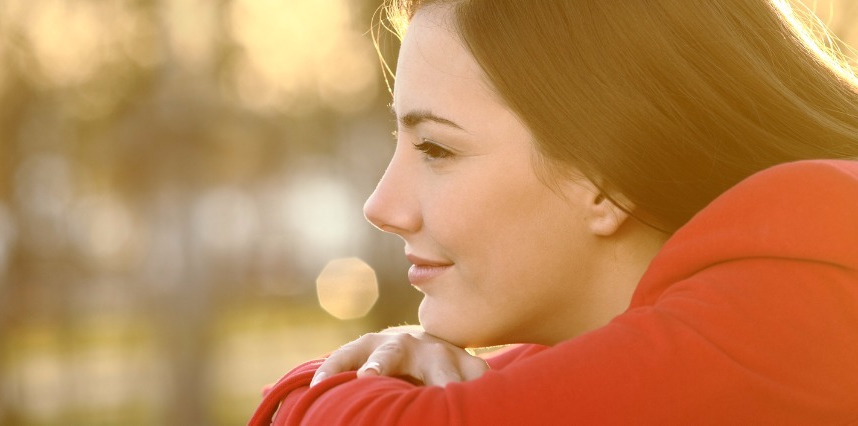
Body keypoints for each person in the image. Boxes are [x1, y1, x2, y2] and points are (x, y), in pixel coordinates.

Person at [250, 0, 858, 424]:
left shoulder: (796, 301)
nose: (382, 207)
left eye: (436, 148)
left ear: (605, 175)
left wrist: (331, 387)